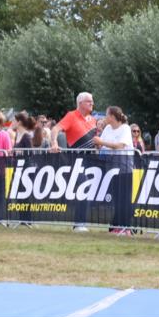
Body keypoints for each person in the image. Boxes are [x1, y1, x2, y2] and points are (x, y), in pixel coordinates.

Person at [50, 92, 97, 232]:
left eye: (92, 101)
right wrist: (53, 143)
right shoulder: (71, 116)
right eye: (89, 101)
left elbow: (94, 140)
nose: (92, 103)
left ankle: (83, 222)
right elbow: (56, 128)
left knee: (88, 188)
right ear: (80, 103)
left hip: (91, 159)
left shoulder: (93, 120)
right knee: (84, 186)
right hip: (77, 159)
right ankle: (79, 223)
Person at [93, 105, 135, 234]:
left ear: (112, 116)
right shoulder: (107, 129)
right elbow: (103, 146)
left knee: (125, 197)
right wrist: (98, 145)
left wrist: (102, 142)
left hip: (124, 165)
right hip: (111, 165)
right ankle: (116, 225)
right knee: (116, 197)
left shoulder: (125, 128)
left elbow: (120, 146)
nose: (105, 117)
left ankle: (125, 226)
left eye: (106, 115)